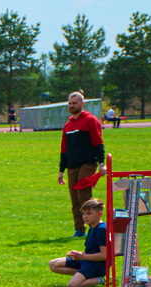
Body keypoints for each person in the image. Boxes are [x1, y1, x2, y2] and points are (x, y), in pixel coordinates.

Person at [58, 91, 106, 238]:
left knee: (83, 195)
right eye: (70, 104)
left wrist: (102, 163)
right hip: (72, 164)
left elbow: (98, 142)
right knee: (75, 199)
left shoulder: (91, 120)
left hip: (87, 163)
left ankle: (95, 227)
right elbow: (64, 149)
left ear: (82, 104)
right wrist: (61, 170)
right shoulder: (68, 125)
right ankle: (79, 230)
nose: (72, 106)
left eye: (75, 103)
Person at [48, 199, 107, 287]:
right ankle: (85, 276)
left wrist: (82, 256)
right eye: (83, 213)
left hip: (97, 265)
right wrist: (77, 254)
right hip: (88, 260)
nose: (85, 217)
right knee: (53, 264)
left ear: (100, 214)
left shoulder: (102, 229)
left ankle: (103, 279)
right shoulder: (92, 227)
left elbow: (104, 255)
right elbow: (92, 251)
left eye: (89, 213)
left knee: (72, 286)